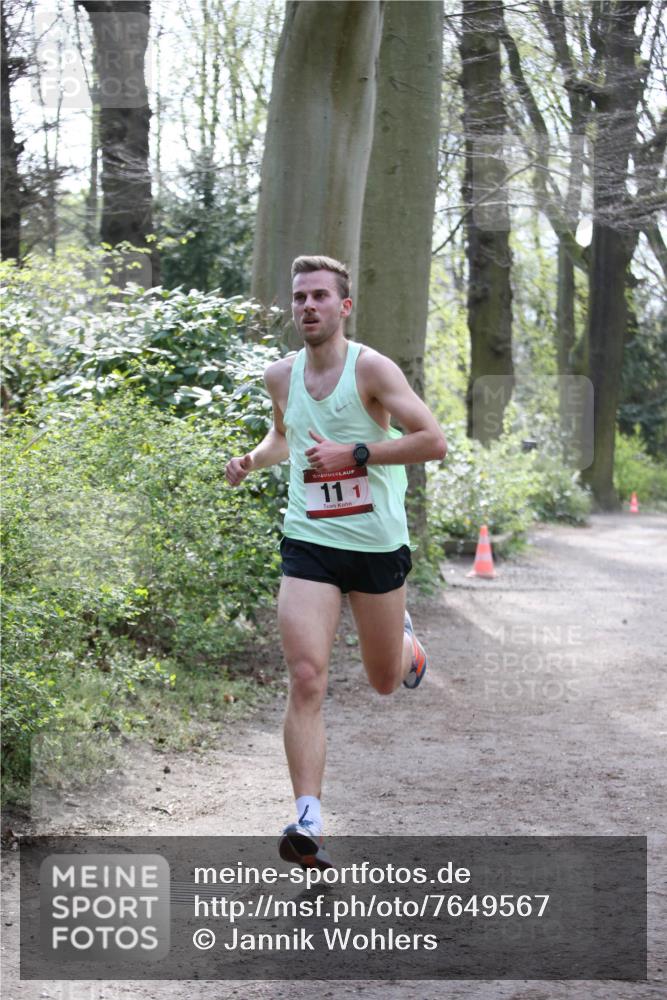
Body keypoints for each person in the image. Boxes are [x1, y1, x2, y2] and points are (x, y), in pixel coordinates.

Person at [225, 254, 447, 868]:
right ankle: (308, 818)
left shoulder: (371, 369)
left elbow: (433, 441)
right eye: (300, 297)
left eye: (320, 296)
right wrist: (251, 460)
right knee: (306, 676)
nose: (308, 306)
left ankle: (407, 648)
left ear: (344, 306)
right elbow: (285, 437)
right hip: (310, 543)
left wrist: (357, 453)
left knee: (383, 681)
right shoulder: (280, 375)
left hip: (376, 545)